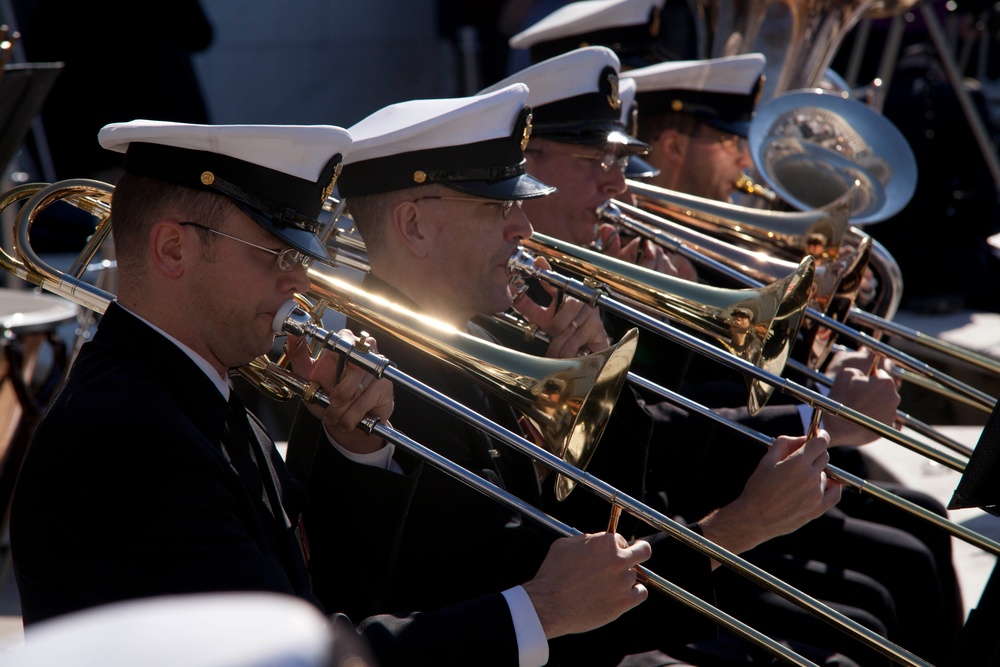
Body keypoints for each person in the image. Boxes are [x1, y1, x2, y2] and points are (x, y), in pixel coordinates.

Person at [7, 119, 654, 667]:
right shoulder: (130, 435)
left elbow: (325, 604)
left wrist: (354, 453)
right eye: (276, 255)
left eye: (304, 258)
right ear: (173, 248)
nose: (301, 283)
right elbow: (293, 654)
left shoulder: (199, 390)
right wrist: (539, 609)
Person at [294, 65, 862, 667]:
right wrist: (744, 525)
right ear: (414, 225)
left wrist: (596, 398)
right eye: (496, 208)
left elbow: (589, 533)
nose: (524, 226)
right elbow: (558, 605)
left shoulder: (477, 340)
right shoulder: (390, 387)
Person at [486, 45, 964, 664]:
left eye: (617, 157)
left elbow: (650, 438)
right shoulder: (510, 296)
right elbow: (648, 452)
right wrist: (807, 418)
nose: (618, 182)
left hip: (655, 549)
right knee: (884, 589)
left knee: (913, 540)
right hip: (628, 577)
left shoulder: (577, 267)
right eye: (593, 158)